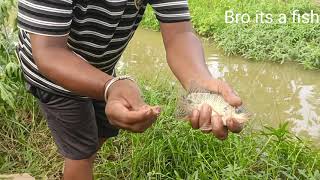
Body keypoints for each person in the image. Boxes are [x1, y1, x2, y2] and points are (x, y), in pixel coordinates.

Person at [16, 0, 243, 179]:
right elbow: (49, 53)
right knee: (81, 154)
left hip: (104, 71)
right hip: (54, 77)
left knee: (99, 133)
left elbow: (179, 33)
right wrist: (110, 86)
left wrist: (199, 81)